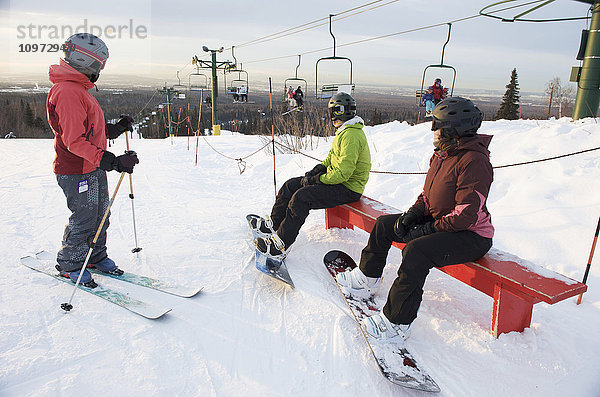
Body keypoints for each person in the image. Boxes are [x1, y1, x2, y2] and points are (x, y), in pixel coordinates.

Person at [337, 97, 493, 340]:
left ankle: (397, 323)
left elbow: (465, 215)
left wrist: (426, 230)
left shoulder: (474, 161)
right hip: (442, 222)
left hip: (470, 235)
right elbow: (428, 195)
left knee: (417, 252)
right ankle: (367, 279)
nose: (435, 132)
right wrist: (413, 215)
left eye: (438, 127)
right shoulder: (442, 155)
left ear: (454, 130)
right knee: (385, 225)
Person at [46, 33, 139, 288]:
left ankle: (94, 255)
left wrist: (115, 129)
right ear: (85, 62)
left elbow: (90, 130)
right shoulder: (67, 91)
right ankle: (71, 263)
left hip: (91, 166)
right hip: (77, 169)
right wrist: (112, 161)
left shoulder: (78, 89)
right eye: (98, 64)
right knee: (85, 218)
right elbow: (74, 141)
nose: (99, 70)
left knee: (100, 214)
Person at [253, 92, 371, 260]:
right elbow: (332, 158)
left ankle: (280, 245)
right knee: (291, 185)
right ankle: (275, 223)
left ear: (339, 112)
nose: (331, 116)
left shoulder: (351, 135)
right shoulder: (345, 132)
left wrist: (316, 180)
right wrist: (319, 168)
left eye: (333, 112)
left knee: (302, 197)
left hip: (348, 188)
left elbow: (342, 174)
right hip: (338, 182)